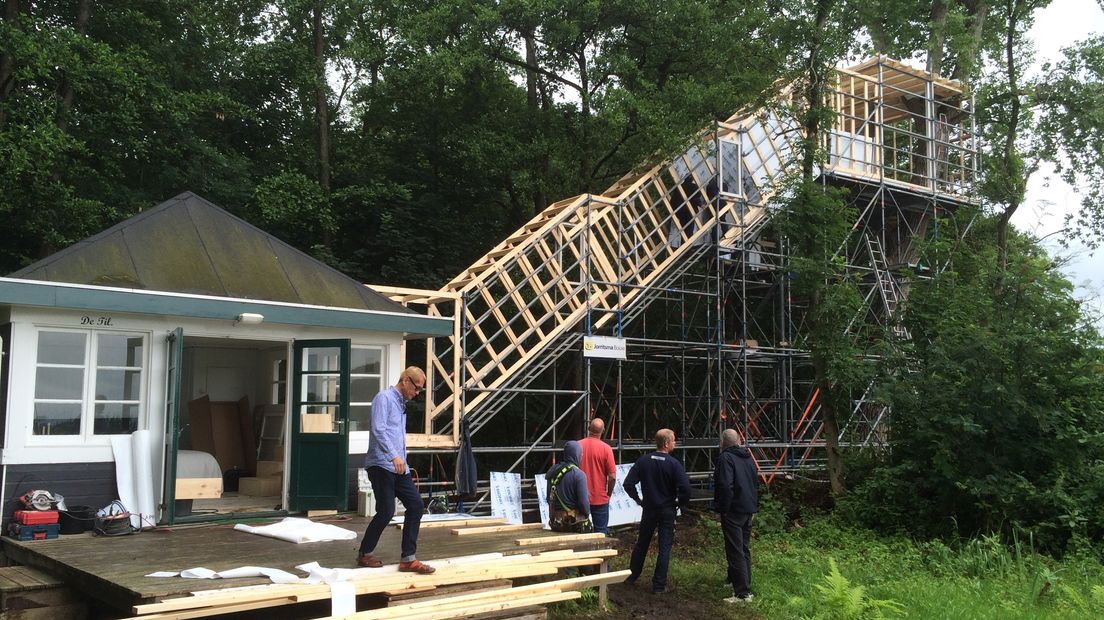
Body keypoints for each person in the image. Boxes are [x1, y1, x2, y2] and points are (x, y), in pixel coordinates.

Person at [355, 367, 436, 574]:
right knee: (386, 511)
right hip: (381, 464)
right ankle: (365, 553)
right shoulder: (384, 398)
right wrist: (394, 456)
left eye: (420, 390)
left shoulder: (401, 404)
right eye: (416, 388)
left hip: (399, 466)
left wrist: (402, 460)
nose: (417, 393)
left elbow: (396, 434)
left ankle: (408, 559)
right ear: (405, 380)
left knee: (416, 505)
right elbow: (378, 429)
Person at [623, 428, 691, 594]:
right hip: (667, 509)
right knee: (664, 546)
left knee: (642, 543)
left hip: (649, 508)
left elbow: (628, 483)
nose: (675, 443)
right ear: (667, 443)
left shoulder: (643, 461)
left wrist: (639, 500)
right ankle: (659, 585)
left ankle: (632, 576)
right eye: (674, 440)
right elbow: (686, 489)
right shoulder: (674, 464)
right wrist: (680, 503)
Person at [714, 428, 759, 603]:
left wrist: (723, 508)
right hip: (748, 508)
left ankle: (742, 593)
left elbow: (726, 485)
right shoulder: (748, 457)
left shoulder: (726, 458)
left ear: (723, 443)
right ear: (739, 441)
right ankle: (737, 580)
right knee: (744, 547)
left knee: (735, 549)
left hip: (734, 509)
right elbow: (754, 482)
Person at [578, 418, 617, 534]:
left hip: (579, 497)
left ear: (589, 428)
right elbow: (612, 476)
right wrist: (609, 493)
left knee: (580, 533)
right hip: (600, 497)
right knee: (600, 533)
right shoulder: (606, 449)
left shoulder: (578, 446)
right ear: (603, 430)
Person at [545, 440, 592, 532]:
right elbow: (584, 503)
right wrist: (587, 514)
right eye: (581, 454)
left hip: (555, 523)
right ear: (577, 454)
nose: (581, 456)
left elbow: (548, 498)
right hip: (572, 524)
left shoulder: (552, 471)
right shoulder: (579, 475)